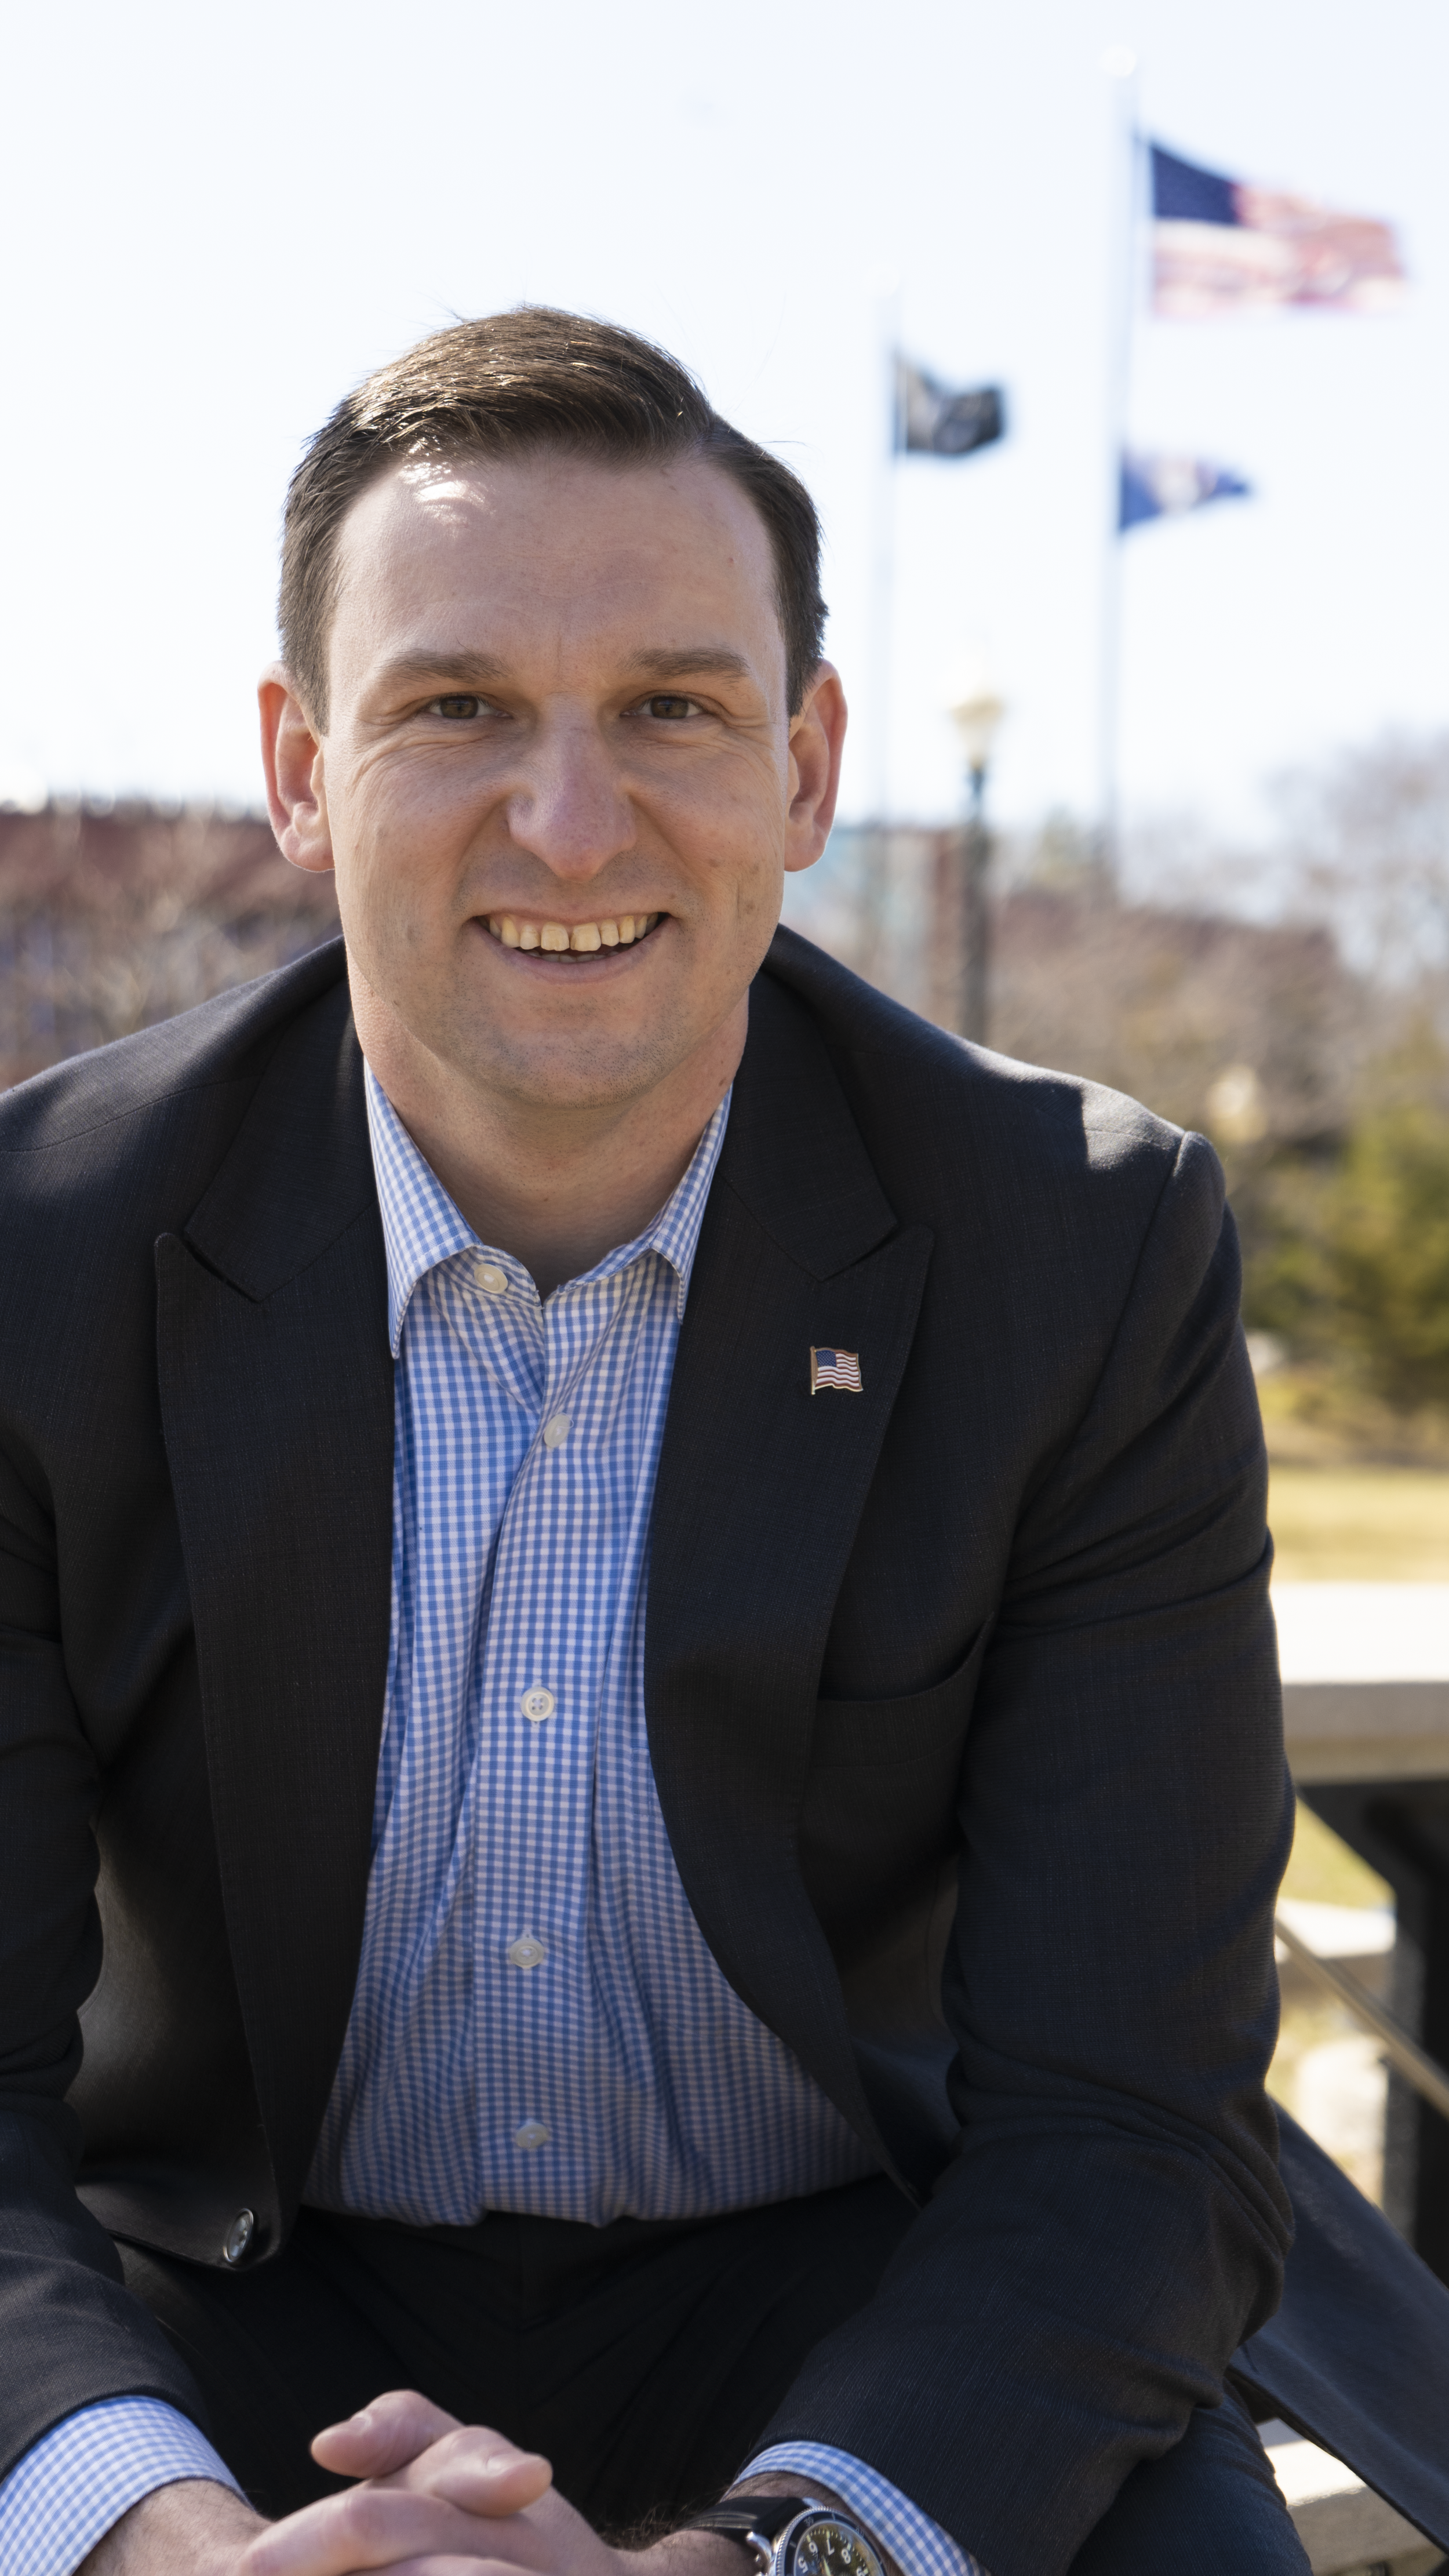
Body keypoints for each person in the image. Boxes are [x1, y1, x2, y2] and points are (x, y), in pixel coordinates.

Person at [0, 310, 1444, 2576]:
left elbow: (1122, 2119)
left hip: (873, 2274)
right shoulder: (39, 1263)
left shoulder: (1075, 1250)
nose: (568, 822)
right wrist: (163, 2548)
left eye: (670, 707)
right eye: (455, 705)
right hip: (224, 2285)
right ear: (298, 766)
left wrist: (772, 2566)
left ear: (804, 762)